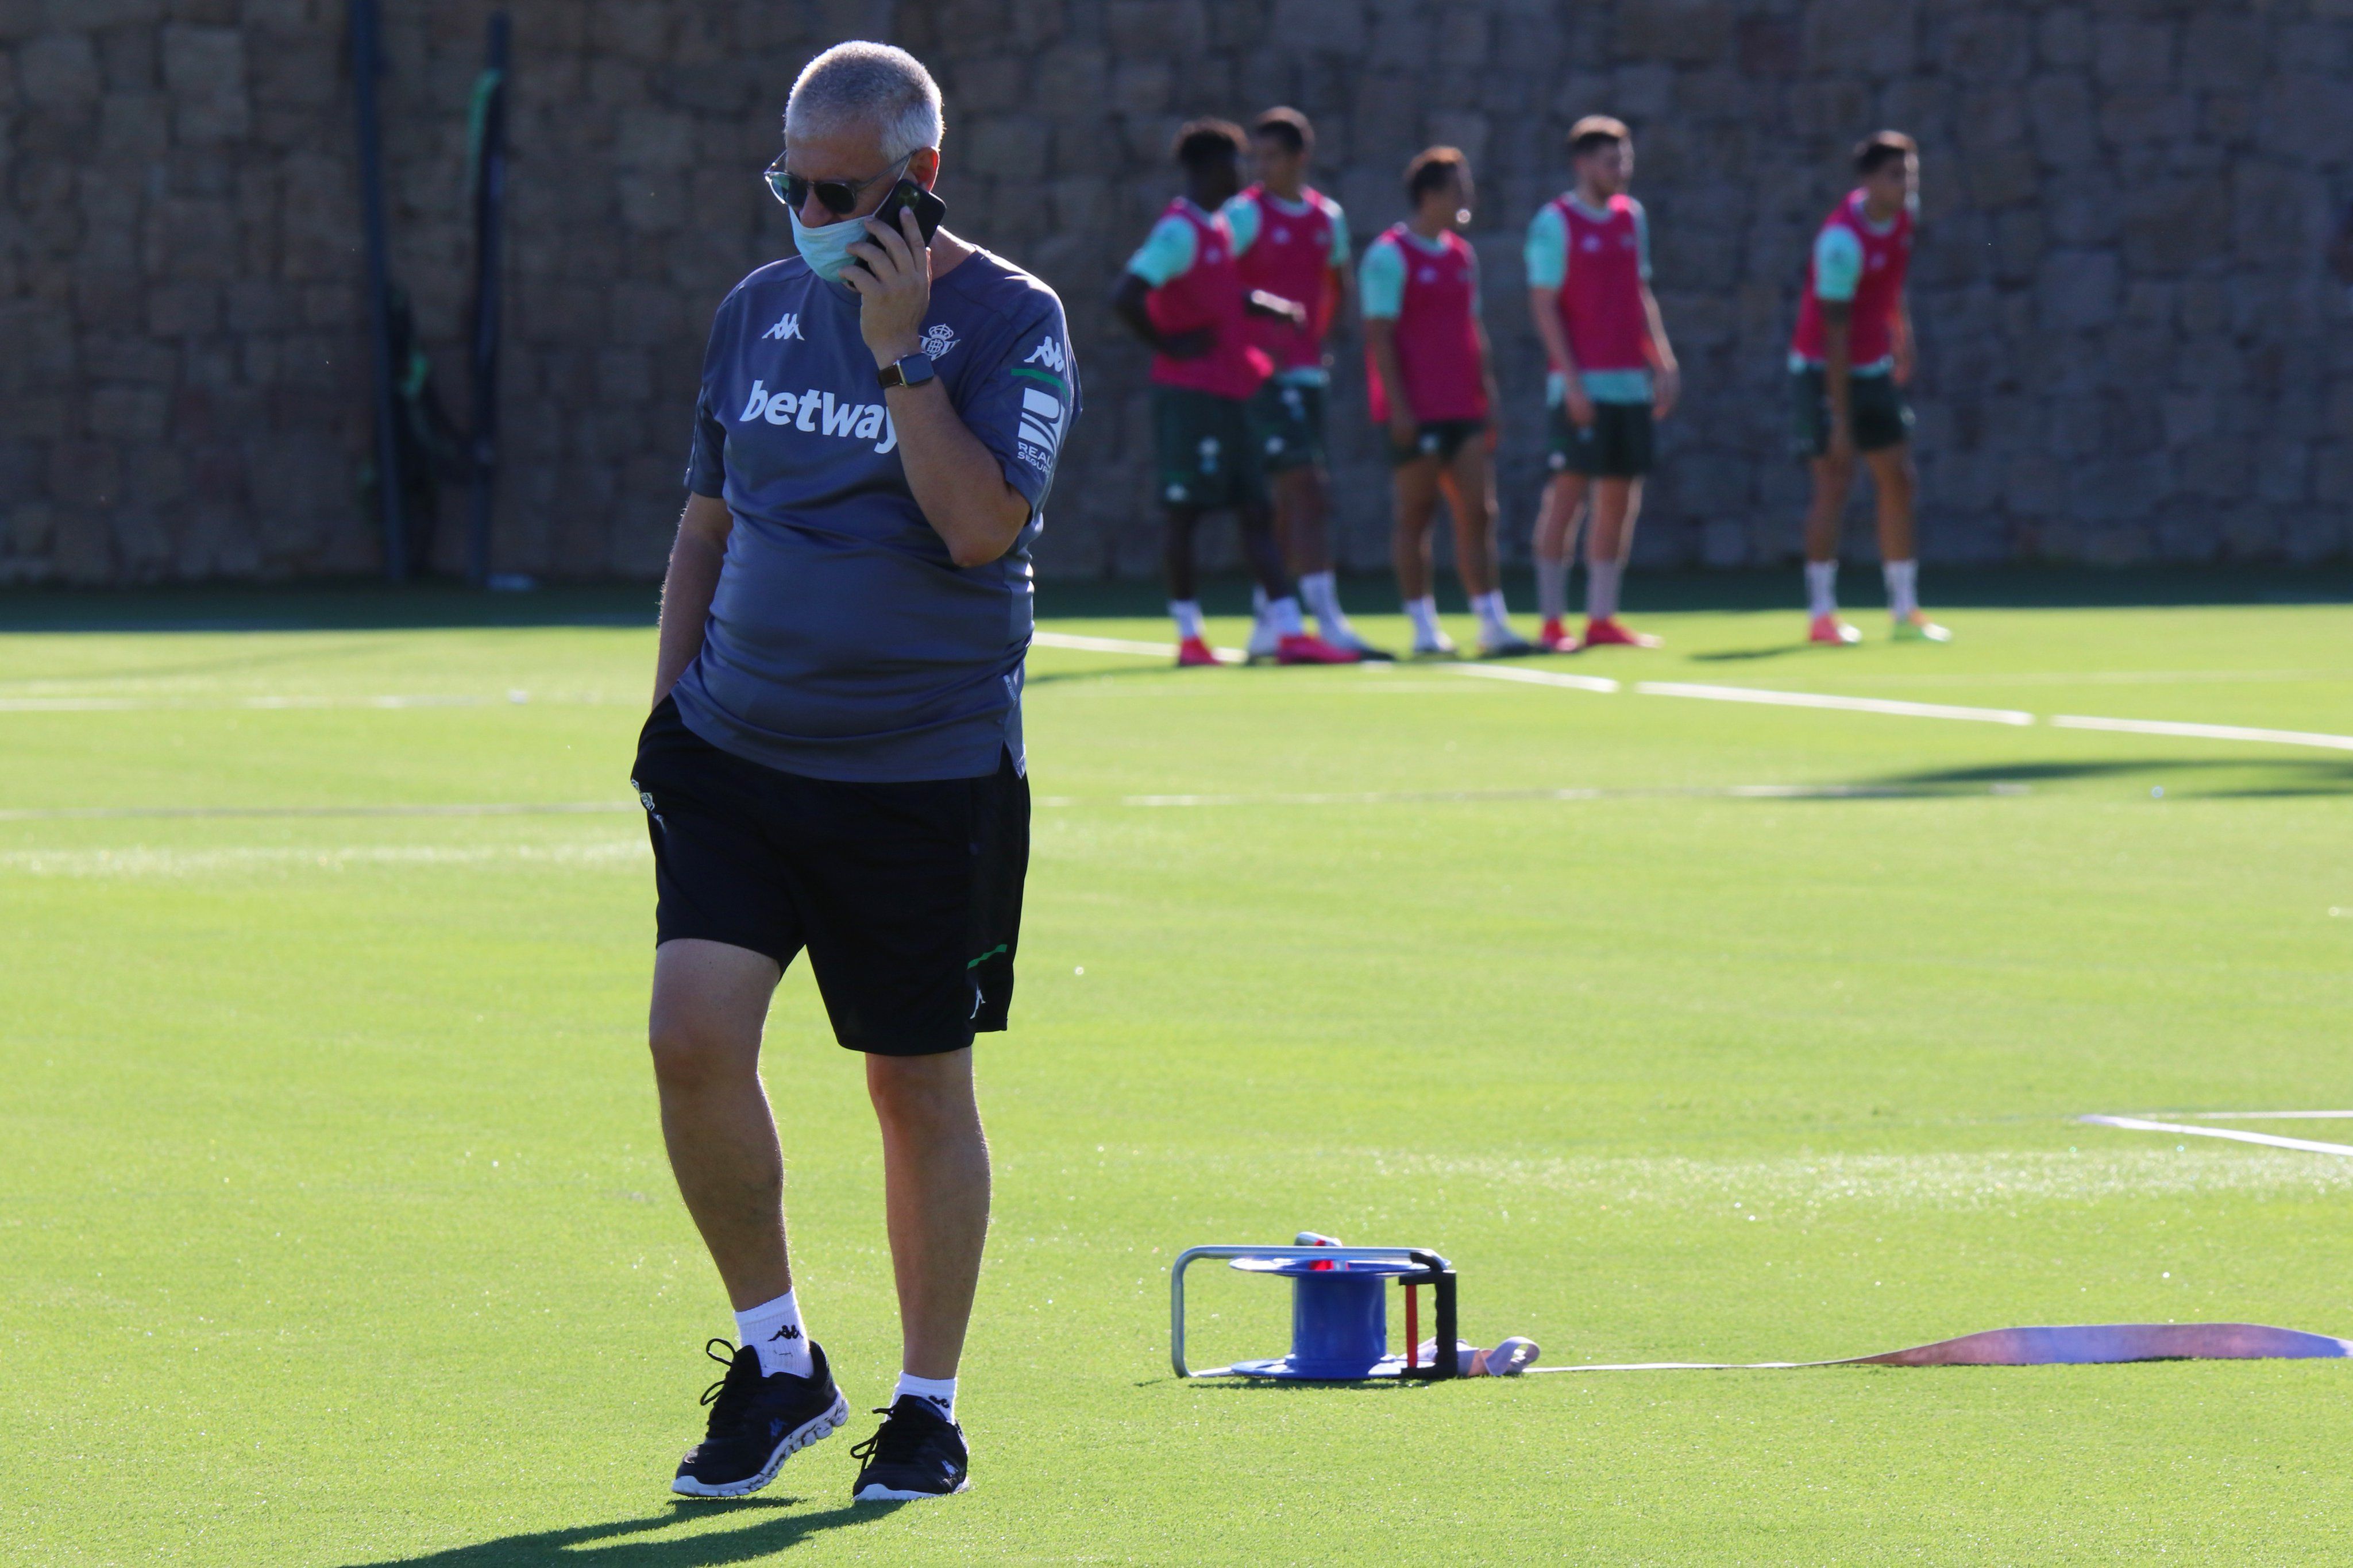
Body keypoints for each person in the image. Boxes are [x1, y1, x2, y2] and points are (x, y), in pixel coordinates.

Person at [632, 40, 1078, 1505]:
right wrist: (666, 720)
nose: (810, 214)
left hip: (921, 776)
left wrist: (900, 354)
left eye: (840, 191)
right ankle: (777, 1364)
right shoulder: (757, 310)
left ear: (920, 178)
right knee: (689, 1037)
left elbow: (974, 529)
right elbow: (707, 523)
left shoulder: (1015, 319)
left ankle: (925, 1405)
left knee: (913, 1086)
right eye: (792, 185)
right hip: (736, 754)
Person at [1112, 119, 1356, 667]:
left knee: (1256, 508)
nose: (1245, 173)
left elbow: (1219, 289)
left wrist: (1266, 306)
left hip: (1233, 389)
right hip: (1189, 396)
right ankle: (1190, 637)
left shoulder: (1217, 228)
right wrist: (1170, 344)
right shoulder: (1178, 231)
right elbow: (1126, 295)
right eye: (1237, 162)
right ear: (1210, 168)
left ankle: (1290, 632)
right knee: (1185, 516)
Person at [1226, 107, 1386, 659]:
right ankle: (1322, 618)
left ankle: (1270, 617)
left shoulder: (1327, 218)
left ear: (1300, 159)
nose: (1261, 168)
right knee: (1305, 489)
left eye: (1271, 157)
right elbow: (1215, 281)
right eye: (1256, 157)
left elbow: (1336, 285)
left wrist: (1322, 344)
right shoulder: (1242, 216)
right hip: (1259, 377)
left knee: (1296, 497)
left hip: (1305, 373)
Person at [1361, 147, 1530, 658]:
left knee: (1479, 511)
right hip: (1417, 409)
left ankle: (1491, 622)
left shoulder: (1461, 254)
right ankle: (1423, 626)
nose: (1468, 198)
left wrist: (1489, 395)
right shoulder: (1389, 255)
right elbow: (1380, 335)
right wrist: (1400, 407)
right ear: (1430, 195)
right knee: (1417, 513)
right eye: (1459, 188)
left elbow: (1471, 329)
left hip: (1463, 406)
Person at [1525, 115, 1680, 652]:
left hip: (1627, 385)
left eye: (1626, 159)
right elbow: (1544, 305)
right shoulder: (1555, 222)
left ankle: (1601, 617)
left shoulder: (1630, 216)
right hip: (1582, 384)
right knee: (1567, 495)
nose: (1623, 170)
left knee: (1619, 498)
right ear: (1583, 164)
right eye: (1612, 161)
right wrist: (1571, 383)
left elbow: (1639, 292)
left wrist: (1660, 359)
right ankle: (1550, 621)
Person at [1790, 129, 1949, 643]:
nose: (1907, 183)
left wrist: (1900, 335)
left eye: (1911, 173)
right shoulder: (1840, 242)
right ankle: (1821, 614)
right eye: (1896, 175)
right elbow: (1835, 336)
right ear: (1867, 181)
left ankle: (1905, 610)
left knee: (1899, 478)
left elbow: (1891, 283)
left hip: (1872, 365)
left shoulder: (1905, 216)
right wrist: (1840, 420)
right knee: (1834, 482)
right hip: (1823, 369)